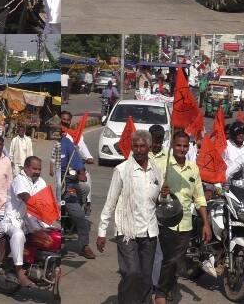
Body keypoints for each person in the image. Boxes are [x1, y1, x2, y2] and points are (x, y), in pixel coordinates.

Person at [97, 130, 162, 304]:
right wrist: (102, 231)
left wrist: (165, 195)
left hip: (149, 232)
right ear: (131, 147)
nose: (139, 150)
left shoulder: (156, 170)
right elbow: (110, 201)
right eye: (136, 146)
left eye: (142, 146)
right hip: (127, 231)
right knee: (132, 273)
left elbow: (158, 200)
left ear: (149, 147)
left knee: (146, 277)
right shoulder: (122, 169)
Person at [155, 131, 211, 304]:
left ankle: (167, 287)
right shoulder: (163, 165)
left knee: (176, 261)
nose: (181, 149)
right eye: (178, 145)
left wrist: (206, 224)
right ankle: (161, 294)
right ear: (172, 145)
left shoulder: (193, 168)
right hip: (165, 222)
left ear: (189, 147)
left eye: (185, 146)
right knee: (169, 258)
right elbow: (152, 192)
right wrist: (161, 194)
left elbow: (199, 197)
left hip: (185, 223)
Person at [0, 155, 48, 287]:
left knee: (51, 235)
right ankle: (19, 272)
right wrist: (39, 206)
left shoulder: (40, 181)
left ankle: (41, 266)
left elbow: (46, 199)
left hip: (30, 219)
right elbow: (25, 196)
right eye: (34, 168)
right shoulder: (19, 180)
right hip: (12, 220)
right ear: (26, 168)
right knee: (18, 235)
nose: (37, 171)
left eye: (39, 169)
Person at [59, 131, 95, 260]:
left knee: (80, 216)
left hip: (69, 188)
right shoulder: (54, 146)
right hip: (54, 189)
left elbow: (78, 163)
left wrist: (81, 172)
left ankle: (84, 245)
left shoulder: (68, 144)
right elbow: (51, 168)